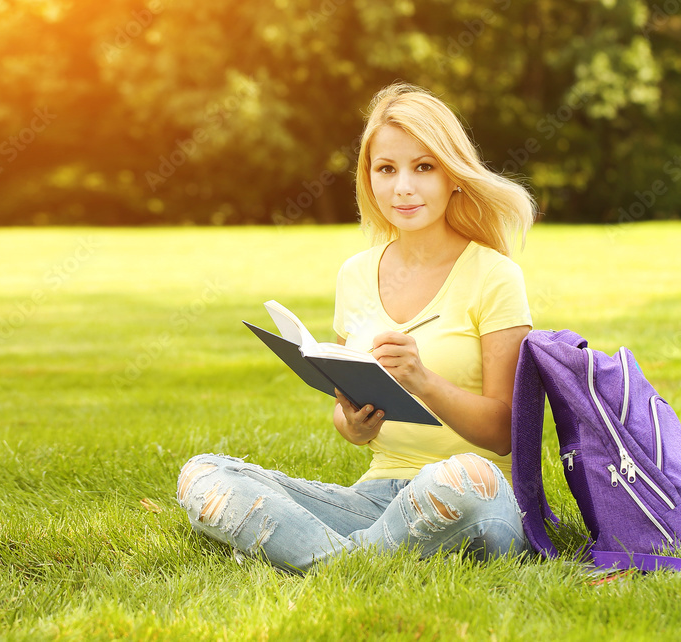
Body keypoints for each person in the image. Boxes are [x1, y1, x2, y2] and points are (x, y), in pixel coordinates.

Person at [177, 82, 537, 573]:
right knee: (205, 475)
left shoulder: (494, 275)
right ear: (368, 178)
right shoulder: (356, 274)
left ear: (454, 174)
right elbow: (345, 420)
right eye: (386, 169)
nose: (402, 187)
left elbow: (504, 435)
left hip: (472, 495)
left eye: (423, 167)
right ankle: (356, 559)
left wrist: (422, 381)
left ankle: (318, 557)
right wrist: (354, 422)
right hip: (378, 499)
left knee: (463, 477)